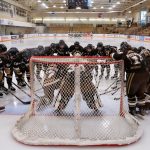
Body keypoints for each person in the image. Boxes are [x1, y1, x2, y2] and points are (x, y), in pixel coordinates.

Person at [110, 42, 149, 116]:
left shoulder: (124, 53)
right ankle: (142, 109)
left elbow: (114, 56)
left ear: (124, 49)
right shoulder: (138, 53)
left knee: (131, 93)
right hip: (145, 74)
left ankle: (132, 110)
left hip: (134, 74)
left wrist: (111, 53)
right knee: (140, 93)